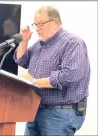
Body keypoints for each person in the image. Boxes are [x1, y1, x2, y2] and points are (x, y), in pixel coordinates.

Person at [13, 5, 90, 136]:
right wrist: (24, 41)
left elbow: (69, 75)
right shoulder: (40, 44)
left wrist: (34, 82)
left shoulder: (72, 43)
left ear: (56, 23)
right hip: (36, 109)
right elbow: (22, 60)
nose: (37, 28)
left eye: (41, 24)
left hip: (60, 114)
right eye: (35, 25)